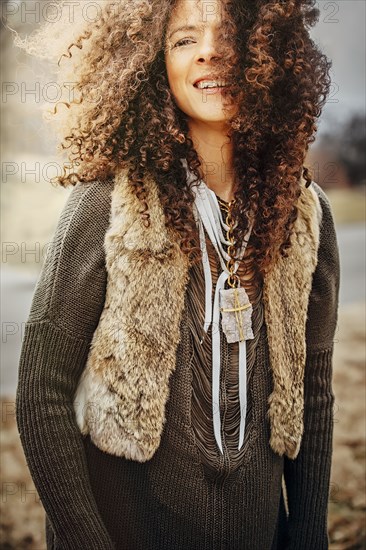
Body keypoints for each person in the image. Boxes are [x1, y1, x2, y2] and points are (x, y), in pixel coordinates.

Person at [15, 0, 340, 548]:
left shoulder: (307, 216)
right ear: (149, 64)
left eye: (230, 34)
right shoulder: (105, 206)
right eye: (184, 39)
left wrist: (309, 535)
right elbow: (40, 394)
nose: (210, 50)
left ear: (272, 54)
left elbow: (314, 395)